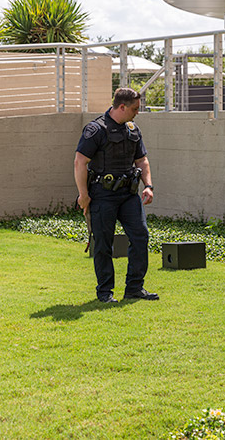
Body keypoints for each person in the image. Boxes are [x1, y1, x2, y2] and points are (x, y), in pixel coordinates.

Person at [74, 88, 159, 303]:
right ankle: (105, 292)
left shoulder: (133, 130)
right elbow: (80, 161)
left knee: (140, 236)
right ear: (121, 107)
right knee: (103, 244)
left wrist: (148, 185)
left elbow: (142, 160)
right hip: (103, 195)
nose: (137, 113)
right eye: (134, 109)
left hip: (129, 194)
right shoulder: (96, 129)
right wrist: (83, 195)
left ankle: (134, 288)